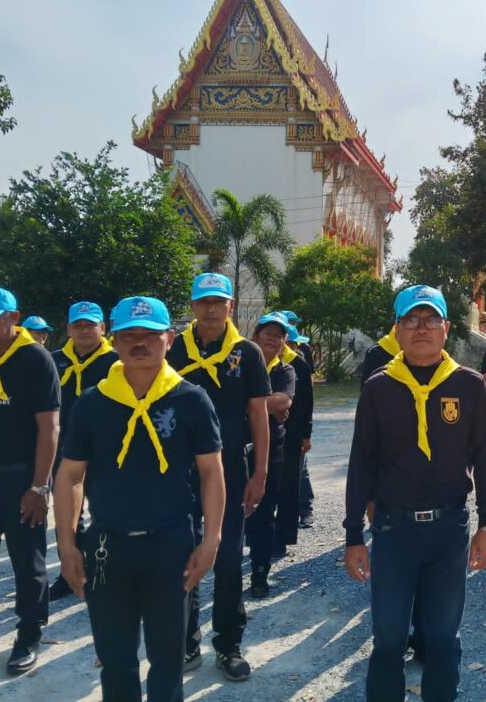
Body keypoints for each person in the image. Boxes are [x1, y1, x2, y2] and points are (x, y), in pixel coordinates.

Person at [53, 296, 225, 702]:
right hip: (107, 546)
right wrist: (66, 544)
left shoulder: (190, 399)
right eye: (128, 335)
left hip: (171, 545)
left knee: (168, 661)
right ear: (113, 340)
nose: (139, 343)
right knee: (116, 662)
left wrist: (212, 539)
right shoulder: (93, 402)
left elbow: (211, 471)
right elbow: (71, 474)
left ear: (170, 338)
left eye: (150, 334)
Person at [344, 285, 486, 702]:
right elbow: (361, 463)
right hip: (393, 530)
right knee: (389, 637)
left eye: (431, 319)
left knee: (444, 638)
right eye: (411, 319)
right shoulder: (378, 388)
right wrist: (353, 535)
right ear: (397, 329)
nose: (422, 328)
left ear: (447, 327)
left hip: (449, 529)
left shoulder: (469, 386)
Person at [167, 273, 270, 681]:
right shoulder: (174, 350)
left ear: (231, 305)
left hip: (229, 469)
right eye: (203, 301)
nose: (211, 309)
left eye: (218, 301)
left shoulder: (247, 353)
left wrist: (260, 472)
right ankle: (185, 640)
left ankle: (228, 644)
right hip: (179, 471)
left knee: (227, 558)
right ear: (193, 306)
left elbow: (258, 414)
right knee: (182, 554)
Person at [0, 287, 60, 675]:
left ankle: (29, 635)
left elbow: (49, 427)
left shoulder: (35, 359)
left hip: (19, 479)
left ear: (13, 318)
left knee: (27, 564)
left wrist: (39, 487)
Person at [48, 301, 119, 601]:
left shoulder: (116, 361)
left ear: (103, 328)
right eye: (78, 325)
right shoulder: (54, 361)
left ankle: (105, 569)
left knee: (105, 511)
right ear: (68, 329)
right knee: (67, 514)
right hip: (65, 450)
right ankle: (69, 572)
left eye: (91, 325)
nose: (84, 331)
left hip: (106, 450)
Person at [246, 312, 296, 597]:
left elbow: (283, 401)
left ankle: (259, 574)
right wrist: (267, 405)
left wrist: (243, 403)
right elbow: (273, 404)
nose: (273, 339)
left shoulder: (285, 371)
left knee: (263, 513)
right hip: (237, 448)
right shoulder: (238, 365)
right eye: (268, 333)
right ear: (256, 336)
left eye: (279, 335)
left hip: (272, 452)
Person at [279, 325, 314, 539]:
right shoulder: (257, 360)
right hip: (270, 431)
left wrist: (306, 434)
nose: (294, 347)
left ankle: (305, 510)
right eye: (293, 343)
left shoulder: (299, 362)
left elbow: (307, 402)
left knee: (299, 472)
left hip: (294, 431)